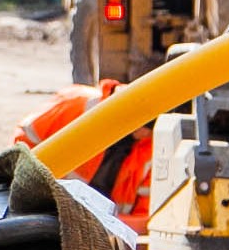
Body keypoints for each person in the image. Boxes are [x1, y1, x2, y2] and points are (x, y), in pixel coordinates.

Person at [13, 80, 151, 232]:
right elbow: (22, 145)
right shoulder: (76, 104)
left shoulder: (149, 147)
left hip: (97, 232)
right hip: (44, 215)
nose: (147, 134)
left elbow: (146, 221)